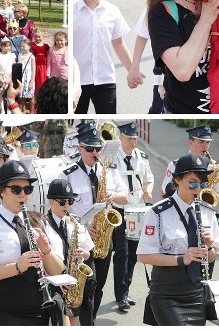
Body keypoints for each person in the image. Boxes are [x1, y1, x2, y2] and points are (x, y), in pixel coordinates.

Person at [0, 159, 65, 325]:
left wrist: (46, 251)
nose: (23, 195)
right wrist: (17, 267)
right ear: (2, 191)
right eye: (16, 189)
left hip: (37, 308)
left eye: (27, 189)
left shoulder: (39, 221)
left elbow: (56, 271)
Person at [137, 152, 219, 326]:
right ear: (177, 180)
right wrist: (182, 259)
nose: (198, 189)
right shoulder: (158, 212)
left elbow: (212, 256)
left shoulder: (208, 212)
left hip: (195, 292)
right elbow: (144, 256)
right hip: (166, 293)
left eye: (202, 184)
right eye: (192, 183)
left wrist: (208, 247)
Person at [56, 125, 129, 324]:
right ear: (79, 148)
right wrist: (81, 226)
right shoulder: (68, 174)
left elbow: (126, 197)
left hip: (104, 235)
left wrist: (113, 196)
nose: (95, 153)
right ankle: (85, 322)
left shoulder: (110, 170)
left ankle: (91, 319)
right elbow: (60, 210)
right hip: (80, 236)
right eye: (90, 149)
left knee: (99, 285)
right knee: (87, 283)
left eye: (98, 149)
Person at [73, 0, 134, 114]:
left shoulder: (112, 11)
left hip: (105, 79)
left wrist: (132, 69)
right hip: (77, 80)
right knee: (75, 122)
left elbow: (118, 43)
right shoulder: (71, 11)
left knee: (107, 120)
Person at [112, 122, 154, 312]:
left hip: (137, 211)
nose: (133, 141)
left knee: (134, 253)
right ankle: (120, 295)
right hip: (120, 211)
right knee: (122, 253)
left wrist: (148, 191)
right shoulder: (112, 157)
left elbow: (149, 179)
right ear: (120, 137)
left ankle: (125, 290)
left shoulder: (141, 157)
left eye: (135, 138)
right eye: (129, 138)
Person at [45, 179, 93, 326]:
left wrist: (84, 253)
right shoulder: (43, 224)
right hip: (54, 283)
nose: (67, 206)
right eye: (62, 202)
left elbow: (89, 252)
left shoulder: (75, 223)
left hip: (73, 282)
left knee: (72, 323)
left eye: (70, 201)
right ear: (50, 201)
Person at [161, 125, 219, 201]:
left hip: (205, 210)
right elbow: (164, 192)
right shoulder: (176, 164)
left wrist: (209, 194)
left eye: (208, 142)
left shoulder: (215, 167)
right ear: (190, 142)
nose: (205, 146)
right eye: (201, 142)